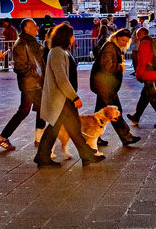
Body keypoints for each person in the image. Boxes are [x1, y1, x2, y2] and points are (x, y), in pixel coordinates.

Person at [35, 23, 105, 166]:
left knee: (71, 127)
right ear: (65, 37)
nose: (74, 38)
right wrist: (74, 97)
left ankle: (85, 155)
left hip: (64, 98)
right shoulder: (57, 52)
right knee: (59, 127)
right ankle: (44, 156)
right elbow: (61, 79)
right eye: (72, 35)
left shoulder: (62, 51)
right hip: (62, 98)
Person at [0, 18, 45, 151]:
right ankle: (2, 137)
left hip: (35, 83)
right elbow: (19, 67)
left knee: (40, 108)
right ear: (27, 28)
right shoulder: (21, 44)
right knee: (24, 111)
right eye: (34, 26)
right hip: (30, 84)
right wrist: (36, 74)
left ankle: (39, 137)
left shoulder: (32, 42)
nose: (37, 28)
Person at [91, 27, 140, 145]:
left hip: (105, 85)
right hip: (105, 86)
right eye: (123, 40)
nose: (124, 43)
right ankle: (126, 137)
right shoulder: (110, 47)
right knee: (115, 111)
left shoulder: (113, 46)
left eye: (126, 41)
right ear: (117, 37)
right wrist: (120, 67)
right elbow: (108, 66)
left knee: (100, 113)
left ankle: (94, 137)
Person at [128, 27, 156, 129]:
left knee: (152, 97)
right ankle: (136, 117)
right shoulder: (152, 42)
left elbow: (142, 61)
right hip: (155, 73)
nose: (137, 37)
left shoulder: (144, 44)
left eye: (138, 34)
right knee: (144, 96)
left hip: (148, 74)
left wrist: (138, 74)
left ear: (143, 34)